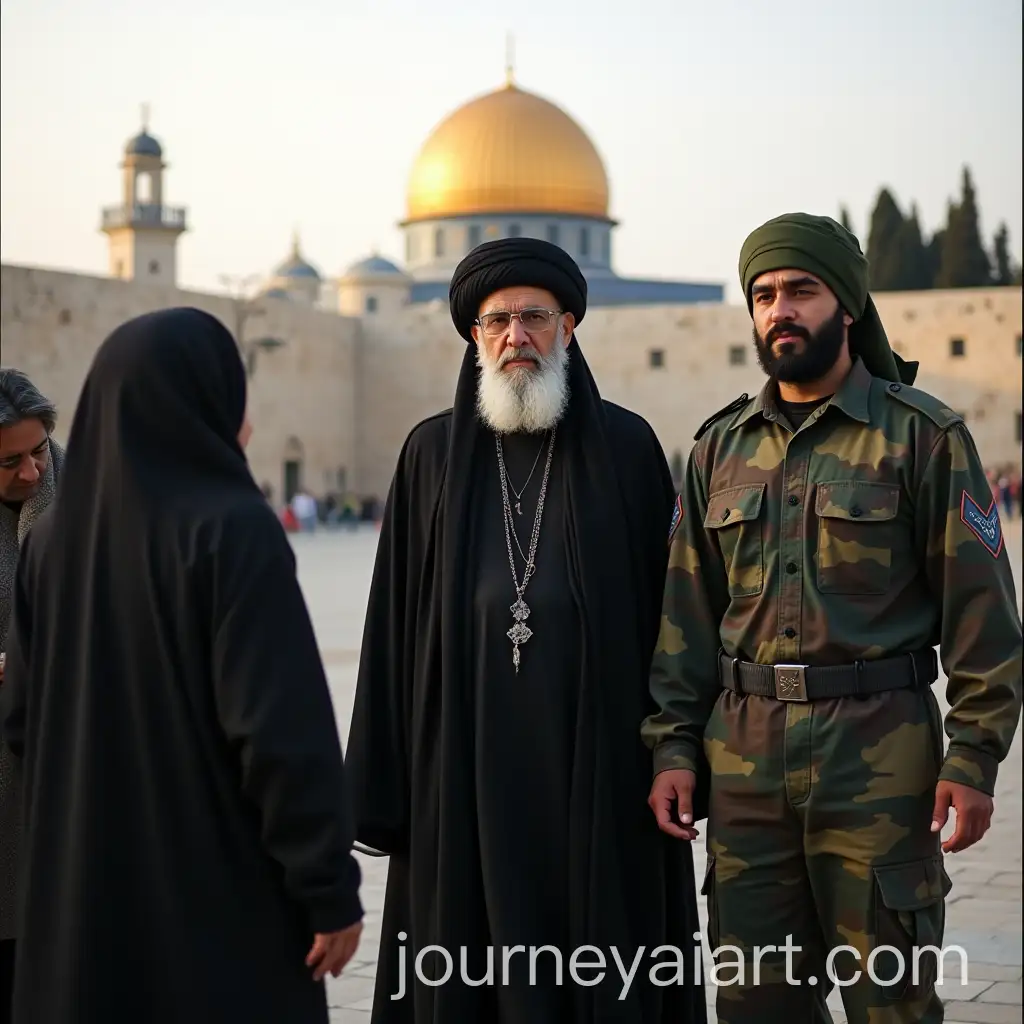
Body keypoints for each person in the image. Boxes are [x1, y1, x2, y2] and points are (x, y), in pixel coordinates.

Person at [642, 212, 1023, 1023]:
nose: (781, 310)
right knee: (756, 1005)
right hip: (745, 773)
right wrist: (674, 745)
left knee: (892, 1004)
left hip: (880, 764)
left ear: (845, 304)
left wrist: (974, 757)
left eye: (801, 291)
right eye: (764, 294)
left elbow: (983, 618)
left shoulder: (921, 436)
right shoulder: (718, 449)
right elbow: (685, 619)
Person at [346, 237, 706, 1024]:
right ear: (474, 336)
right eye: (497, 320)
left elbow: (677, 621)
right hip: (463, 773)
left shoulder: (627, 447)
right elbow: (389, 635)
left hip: (601, 770)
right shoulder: (430, 455)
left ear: (569, 327)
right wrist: (380, 782)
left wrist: (678, 752)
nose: (517, 336)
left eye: (535, 317)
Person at [0, 308, 364, 1023]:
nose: (248, 424)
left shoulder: (52, 542)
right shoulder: (232, 529)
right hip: (217, 899)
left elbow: (23, 721)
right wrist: (328, 889)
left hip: (85, 898)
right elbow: (279, 736)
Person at [0, 369, 64, 1013]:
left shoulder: (93, 492)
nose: (30, 473)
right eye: (9, 462)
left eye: (39, 451)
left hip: (66, 770)